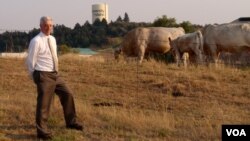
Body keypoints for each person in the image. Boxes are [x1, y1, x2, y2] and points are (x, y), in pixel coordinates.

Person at [26, 16, 83, 140]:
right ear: (40, 26)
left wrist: (55, 72)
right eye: (46, 25)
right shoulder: (36, 41)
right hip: (43, 74)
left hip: (55, 74)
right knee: (44, 104)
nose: (49, 28)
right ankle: (42, 132)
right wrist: (36, 77)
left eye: (51, 25)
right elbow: (30, 61)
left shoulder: (52, 39)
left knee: (68, 94)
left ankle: (71, 122)